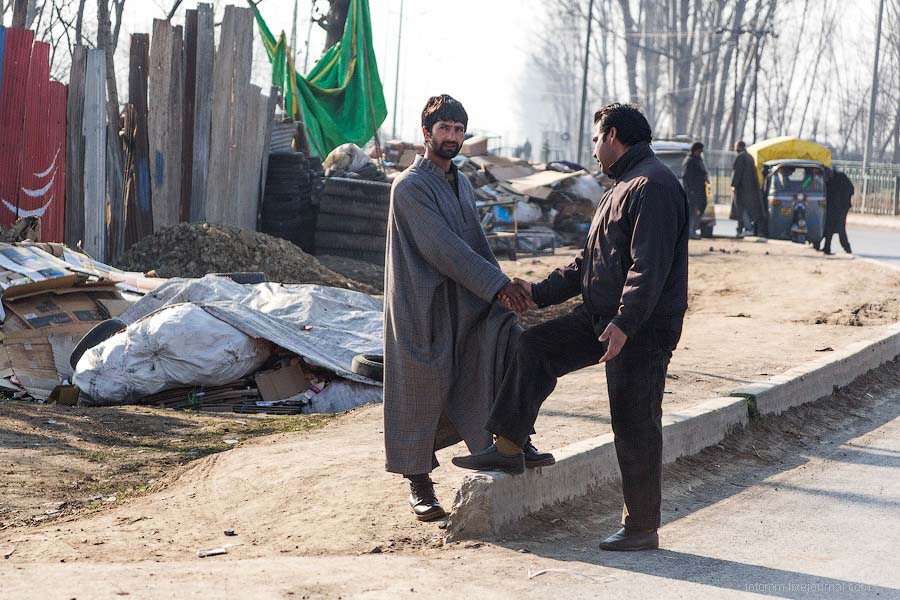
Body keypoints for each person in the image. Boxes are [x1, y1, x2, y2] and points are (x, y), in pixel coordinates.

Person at [453, 104, 689, 552]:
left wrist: (625, 322)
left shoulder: (653, 186)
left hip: (640, 327)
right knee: (535, 346)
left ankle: (642, 527)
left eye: (596, 139)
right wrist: (537, 292)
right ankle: (509, 447)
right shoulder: (619, 187)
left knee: (634, 423)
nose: (593, 149)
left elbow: (649, 267)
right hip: (601, 316)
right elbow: (588, 264)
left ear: (613, 135)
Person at [383, 94, 550, 522]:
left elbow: (475, 244)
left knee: (508, 341)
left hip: (466, 299)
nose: (452, 137)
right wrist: (497, 287)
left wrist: (505, 293)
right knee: (420, 389)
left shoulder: (462, 182)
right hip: (423, 306)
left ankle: (513, 440)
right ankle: (419, 483)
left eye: (458, 130)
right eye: (444, 129)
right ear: (426, 133)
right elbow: (443, 248)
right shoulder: (409, 186)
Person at [731, 141, 763, 237]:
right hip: (750, 189)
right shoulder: (750, 157)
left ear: (739, 146)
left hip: (742, 189)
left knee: (741, 210)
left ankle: (746, 228)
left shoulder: (740, 157)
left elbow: (737, 172)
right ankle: (745, 228)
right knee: (747, 209)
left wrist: (734, 185)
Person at [820, 168, 854, 254]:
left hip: (841, 208)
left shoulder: (841, 178)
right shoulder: (825, 179)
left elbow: (851, 189)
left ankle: (847, 249)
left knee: (840, 229)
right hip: (831, 207)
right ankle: (826, 247)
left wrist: (844, 200)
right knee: (828, 227)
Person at [681, 142, 709, 239]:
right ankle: (690, 231)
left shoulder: (698, 160)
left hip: (700, 191)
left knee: (699, 210)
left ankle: (693, 230)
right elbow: (686, 178)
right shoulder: (689, 161)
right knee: (691, 212)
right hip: (692, 192)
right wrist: (690, 191)